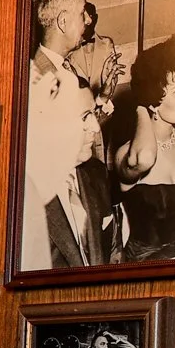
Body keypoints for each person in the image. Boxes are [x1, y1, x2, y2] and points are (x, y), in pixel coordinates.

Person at [112, 38, 175, 261]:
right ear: (153, 99)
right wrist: (142, 105)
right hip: (146, 265)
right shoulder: (127, 155)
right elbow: (146, 158)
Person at [44, 83, 118, 268]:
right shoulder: (23, 197)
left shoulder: (97, 174)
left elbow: (115, 252)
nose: (95, 127)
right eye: (85, 117)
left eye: (93, 114)